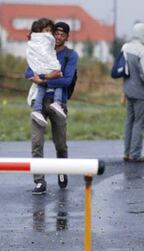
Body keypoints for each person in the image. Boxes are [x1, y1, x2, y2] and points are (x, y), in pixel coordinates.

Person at [25, 21, 79, 194]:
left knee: (61, 144)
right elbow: (28, 73)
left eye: (62, 35)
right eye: (56, 33)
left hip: (59, 102)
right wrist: (46, 76)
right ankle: (39, 181)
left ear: (67, 37)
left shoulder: (71, 55)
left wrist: (42, 79)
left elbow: (66, 80)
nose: (58, 37)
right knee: (36, 143)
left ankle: (62, 171)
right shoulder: (42, 49)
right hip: (38, 102)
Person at [121, 23, 144, 162]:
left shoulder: (125, 47)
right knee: (139, 123)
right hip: (140, 92)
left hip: (128, 88)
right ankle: (135, 153)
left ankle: (126, 152)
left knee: (129, 121)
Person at [26, 18, 66, 127]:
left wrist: (44, 78)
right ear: (40, 31)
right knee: (55, 76)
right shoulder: (38, 44)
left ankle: (45, 107)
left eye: (50, 31)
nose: (49, 33)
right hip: (42, 75)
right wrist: (46, 77)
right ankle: (44, 107)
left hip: (46, 82)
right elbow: (29, 73)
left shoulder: (48, 45)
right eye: (46, 30)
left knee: (55, 78)